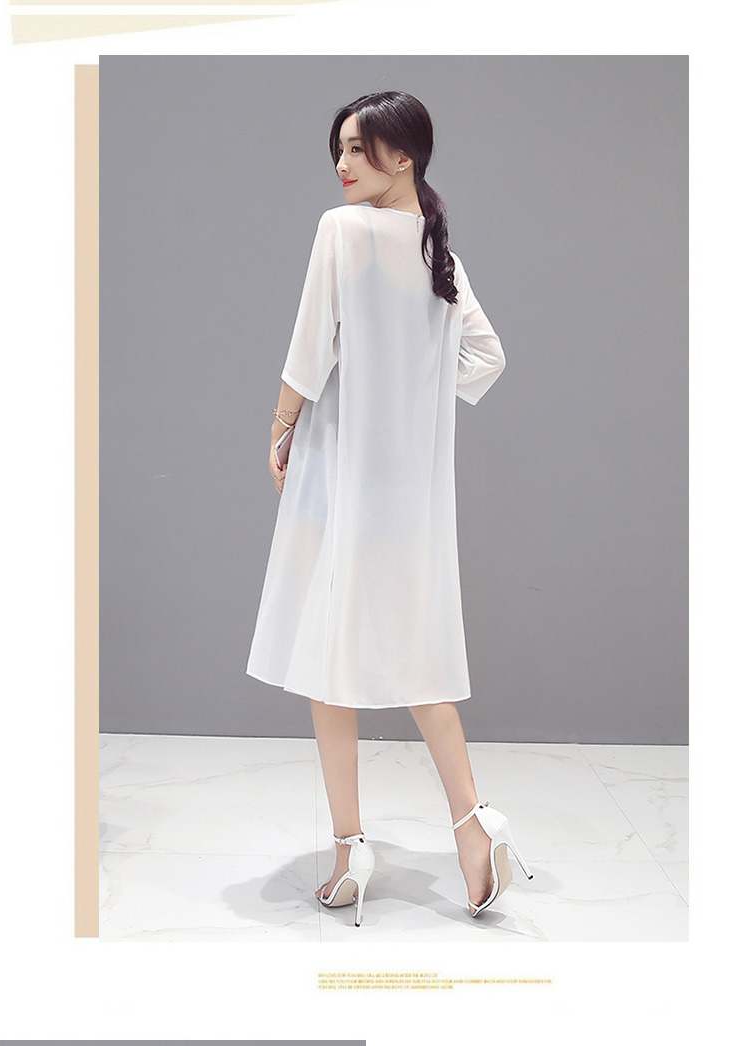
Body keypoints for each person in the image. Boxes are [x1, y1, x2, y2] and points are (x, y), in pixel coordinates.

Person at [246, 91, 532, 926]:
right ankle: (474, 826)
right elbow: (487, 356)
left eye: (358, 148)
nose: (342, 164)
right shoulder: (440, 251)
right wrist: (414, 391)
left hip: (337, 476)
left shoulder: (343, 231)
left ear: (403, 155)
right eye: (338, 149)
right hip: (407, 496)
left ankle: (349, 853)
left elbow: (310, 345)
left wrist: (281, 426)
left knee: (326, 656)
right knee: (418, 659)